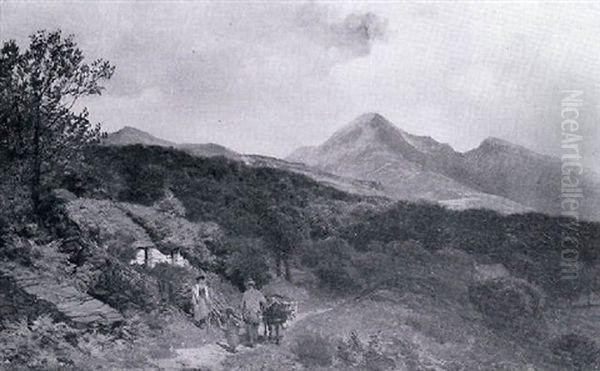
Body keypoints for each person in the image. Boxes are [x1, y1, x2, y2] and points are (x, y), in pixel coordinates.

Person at [241, 278, 266, 347]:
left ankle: (251, 341)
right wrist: (262, 309)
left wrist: (243, 314)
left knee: (249, 327)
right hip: (256, 313)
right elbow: (264, 302)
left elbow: (242, 305)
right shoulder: (258, 293)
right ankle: (254, 341)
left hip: (248, 313)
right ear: (254, 285)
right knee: (256, 327)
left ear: (248, 286)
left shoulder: (245, 293)